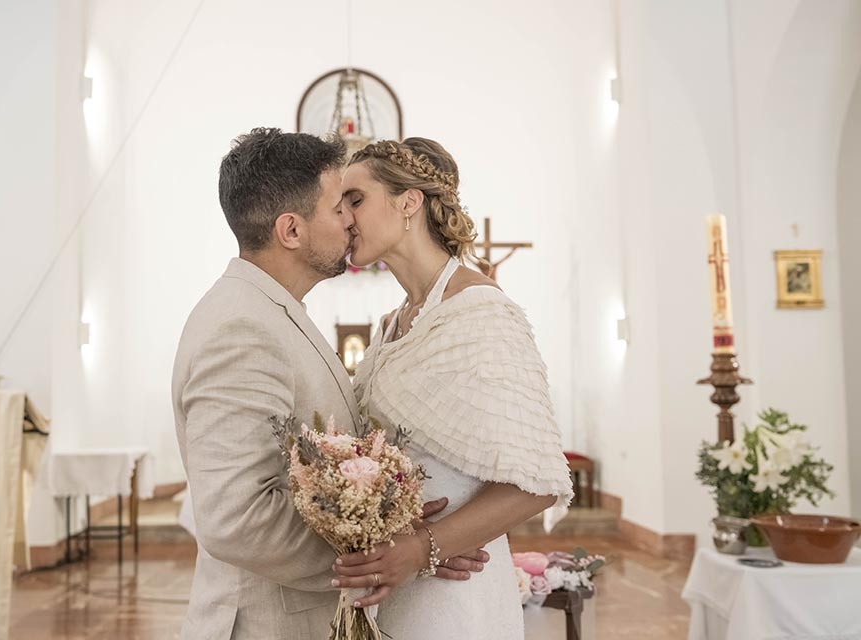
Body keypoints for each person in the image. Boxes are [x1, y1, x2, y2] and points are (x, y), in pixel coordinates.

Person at [171, 128, 488, 640]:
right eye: (339, 206)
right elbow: (237, 516)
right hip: (267, 625)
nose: (349, 220)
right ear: (291, 230)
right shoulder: (242, 329)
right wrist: (388, 553)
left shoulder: (271, 312)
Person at [331, 137, 574, 639]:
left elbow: (538, 482)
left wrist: (425, 546)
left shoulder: (482, 311)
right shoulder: (391, 325)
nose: (345, 218)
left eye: (355, 199)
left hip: (457, 591)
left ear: (409, 201)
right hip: (394, 584)